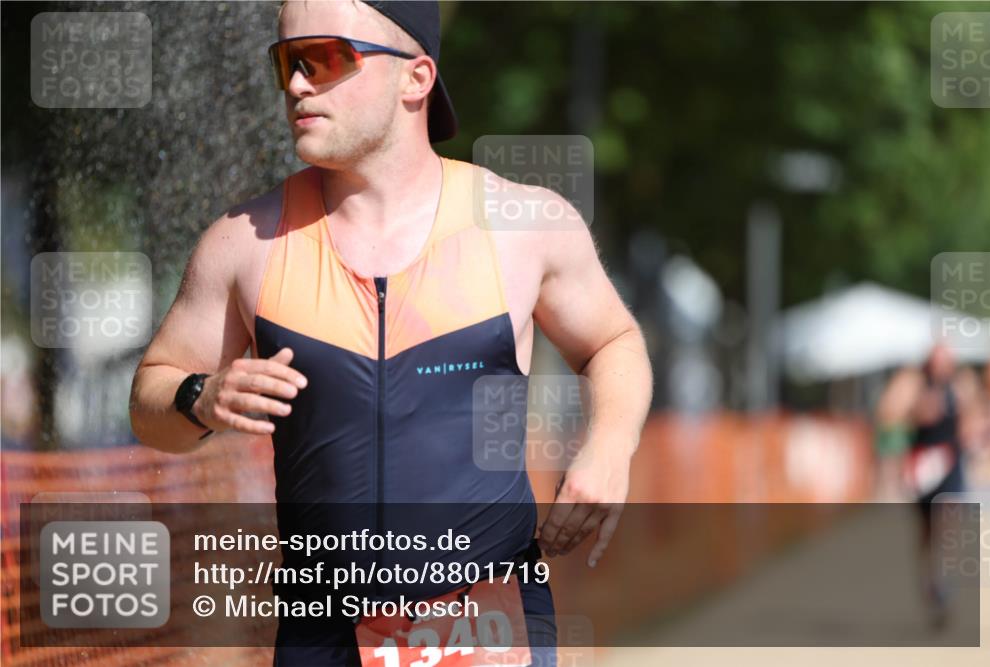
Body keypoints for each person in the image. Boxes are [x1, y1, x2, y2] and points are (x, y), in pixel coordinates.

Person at [128, 1, 653, 664]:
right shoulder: (243, 244)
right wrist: (198, 395)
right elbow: (151, 399)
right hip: (322, 632)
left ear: (417, 78)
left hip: (485, 626)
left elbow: (613, 342)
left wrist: (609, 448)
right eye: (287, 63)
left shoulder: (523, 225)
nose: (296, 85)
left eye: (324, 59)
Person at [875, 342, 986, 628]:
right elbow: (887, 413)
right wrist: (916, 410)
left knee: (948, 523)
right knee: (926, 532)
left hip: (951, 463)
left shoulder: (962, 382)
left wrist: (973, 432)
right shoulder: (912, 382)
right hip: (922, 468)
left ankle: (944, 583)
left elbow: (976, 417)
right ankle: (931, 581)